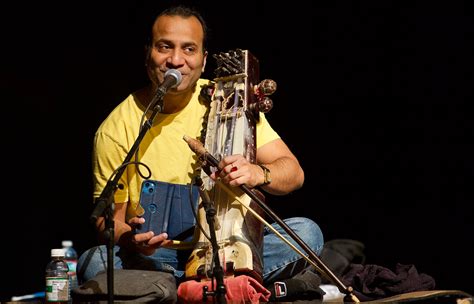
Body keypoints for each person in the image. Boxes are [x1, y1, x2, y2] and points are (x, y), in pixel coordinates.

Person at [77, 4, 324, 300]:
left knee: (307, 234)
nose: (175, 60)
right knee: (94, 262)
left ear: (204, 60)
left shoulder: (229, 101)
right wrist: (131, 238)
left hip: (229, 248)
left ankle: (171, 292)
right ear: (148, 53)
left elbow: (293, 173)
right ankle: (212, 288)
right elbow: (106, 221)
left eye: (189, 49)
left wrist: (258, 172)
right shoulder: (116, 128)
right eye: (164, 47)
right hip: (158, 259)